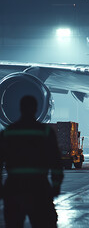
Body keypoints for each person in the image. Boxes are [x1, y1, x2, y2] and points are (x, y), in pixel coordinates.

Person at [0, 96, 64, 228]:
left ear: (20, 109)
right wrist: (56, 185)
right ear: (36, 109)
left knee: (13, 223)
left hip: (14, 186)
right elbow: (56, 162)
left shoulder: (8, 132)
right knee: (45, 223)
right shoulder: (45, 132)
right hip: (39, 187)